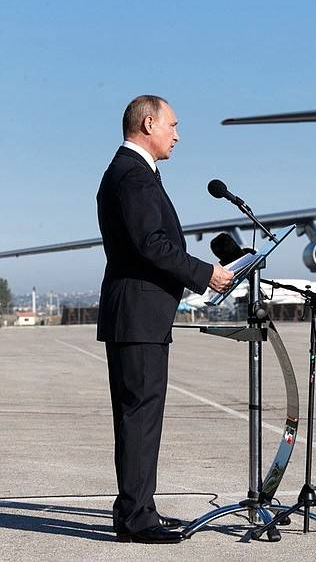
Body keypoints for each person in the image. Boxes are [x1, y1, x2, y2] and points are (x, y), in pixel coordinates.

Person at [97, 95, 234, 544]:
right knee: (139, 417)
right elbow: (150, 244)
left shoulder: (134, 173)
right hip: (136, 317)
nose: (177, 135)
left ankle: (140, 510)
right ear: (148, 123)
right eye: (173, 125)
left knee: (141, 416)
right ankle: (136, 519)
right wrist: (204, 274)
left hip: (140, 317)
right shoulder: (132, 177)